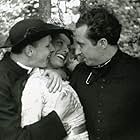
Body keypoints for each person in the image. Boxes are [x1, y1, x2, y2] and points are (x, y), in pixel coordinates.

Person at [70, 6, 140, 140]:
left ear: (102, 43)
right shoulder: (79, 73)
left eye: (82, 45)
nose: (77, 51)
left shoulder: (136, 72)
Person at [0, 19, 77, 140]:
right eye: (47, 45)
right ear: (29, 51)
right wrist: (58, 116)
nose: (52, 49)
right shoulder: (2, 81)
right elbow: (13, 137)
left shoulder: (35, 69)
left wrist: (54, 72)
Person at [21, 32, 89, 140]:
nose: (66, 50)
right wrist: (58, 115)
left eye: (68, 47)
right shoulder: (36, 83)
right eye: (59, 43)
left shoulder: (66, 76)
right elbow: (30, 132)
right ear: (49, 47)